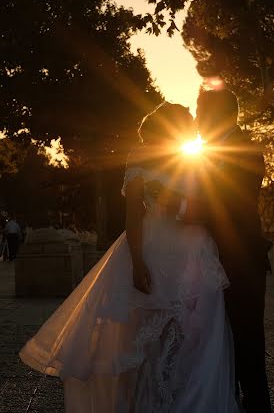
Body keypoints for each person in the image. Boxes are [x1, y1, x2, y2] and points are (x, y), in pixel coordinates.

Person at [20, 102, 239, 413]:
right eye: (187, 121)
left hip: (194, 252)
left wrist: (178, 203)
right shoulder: (140, 156)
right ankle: (147, 402)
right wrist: (137, 261)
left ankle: (190, 401)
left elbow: (209, 203)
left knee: (197, 333)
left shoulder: (194, 158)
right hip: (152, 247)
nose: (193, 127)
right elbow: (134, 215)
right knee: (141, 339)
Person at [191, 88, 272, 413]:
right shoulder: (209, 151)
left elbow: (227, 207)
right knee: (223, 346)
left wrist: (180, 211)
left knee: (247, 345)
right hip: (217, 262)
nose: (196, 120)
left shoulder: (242, 150)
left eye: (199, 112)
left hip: (239, 262)